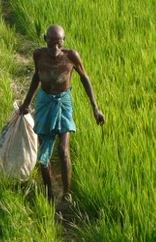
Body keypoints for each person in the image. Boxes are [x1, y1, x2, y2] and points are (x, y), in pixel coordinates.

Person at [18, 24, 105, 202]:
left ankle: (67, 194)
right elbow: (37, 75)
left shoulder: (71, 56)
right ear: (45, 40)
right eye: (51, 44)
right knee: (44, 153)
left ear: (63, 41)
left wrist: (95, 108)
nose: (55, 49)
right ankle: (49, 192)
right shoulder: (39, 55)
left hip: (63, 103)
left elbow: (84, 78)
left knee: (63, 150)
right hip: (44, 103)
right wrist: (26, 103)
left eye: (58, 44)